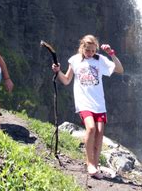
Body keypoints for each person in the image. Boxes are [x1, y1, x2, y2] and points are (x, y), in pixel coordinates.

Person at [51, 34, 123, 179]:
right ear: (82, 48)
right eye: (87, 50)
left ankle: (95, 167)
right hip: (84, 102)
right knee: (91, 128)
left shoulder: (100, 60)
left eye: (92, 50)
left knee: (100, 133)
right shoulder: (75, 60)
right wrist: (58, 71)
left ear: (96, 49)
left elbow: (120, 70)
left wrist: (111, 54)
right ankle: (90, 163)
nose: (90, 53)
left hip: (99, 103)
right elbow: (66, 80)